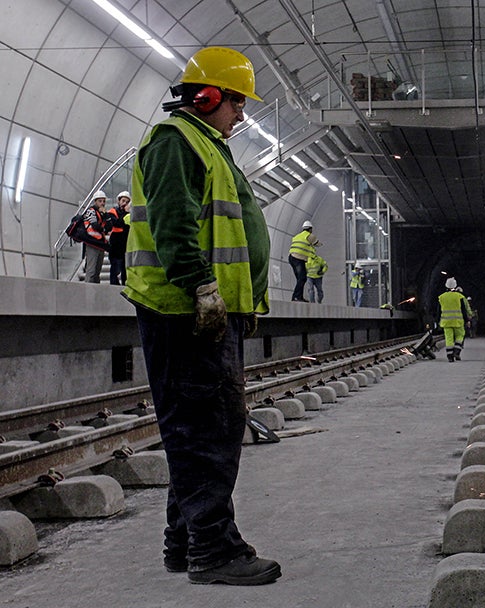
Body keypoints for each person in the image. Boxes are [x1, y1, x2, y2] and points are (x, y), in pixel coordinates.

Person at [122, 46, 280, 585]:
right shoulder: (176, 142)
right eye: (237, 102)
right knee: (206, 430)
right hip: (184, 311)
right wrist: (203, 288)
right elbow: (173, 222)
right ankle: (214, 550)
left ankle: (185, 542)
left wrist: (241, 300)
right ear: (207, 96)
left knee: (201, 427)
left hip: (209, 311)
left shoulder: (209, 145)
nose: (242, 114)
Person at [438, 277, 472, 362]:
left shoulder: (441, 297)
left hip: (446, 322)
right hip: (458, 322)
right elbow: (463, 310)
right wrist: (467, 320)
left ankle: (450, 356)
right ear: (455, 286)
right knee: (460, 336)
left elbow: (438, 311)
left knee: (449, 338)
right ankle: (456, 352)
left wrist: (438, 321)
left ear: (446, 286)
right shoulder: (459, 297)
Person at [82, 191, 111, 283]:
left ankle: (95, 288)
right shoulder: (91, 211)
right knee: (91, 270)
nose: (102, 203)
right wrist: (104, 229)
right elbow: (95, 225)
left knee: (97, 271)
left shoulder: (102, 213)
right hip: (92, 243)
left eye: (104, 201)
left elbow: (110, 226)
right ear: (95, 201)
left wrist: (105, 215)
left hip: (100, 243)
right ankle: (87, 288)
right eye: (100, 201)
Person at [289, 220, 320, 302]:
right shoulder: (310, 236)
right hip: (298, 259)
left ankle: (299, 297)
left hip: (291, 258)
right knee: (302, 278)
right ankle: (296, 297)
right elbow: (317, 244)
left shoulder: (297, 236)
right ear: (310, 229)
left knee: (300, 279)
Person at [105, 191, 131, 285]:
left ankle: (124, 283)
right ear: (119, 201)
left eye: (127, 202)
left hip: (125, 242)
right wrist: (126, 214)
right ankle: (114, 284)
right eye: (123, 201)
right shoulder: (113, 211)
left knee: (124, 267)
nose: (124, 203)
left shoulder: (129, 214)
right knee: (115, 267)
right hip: (115, 243)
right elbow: (117, 223)